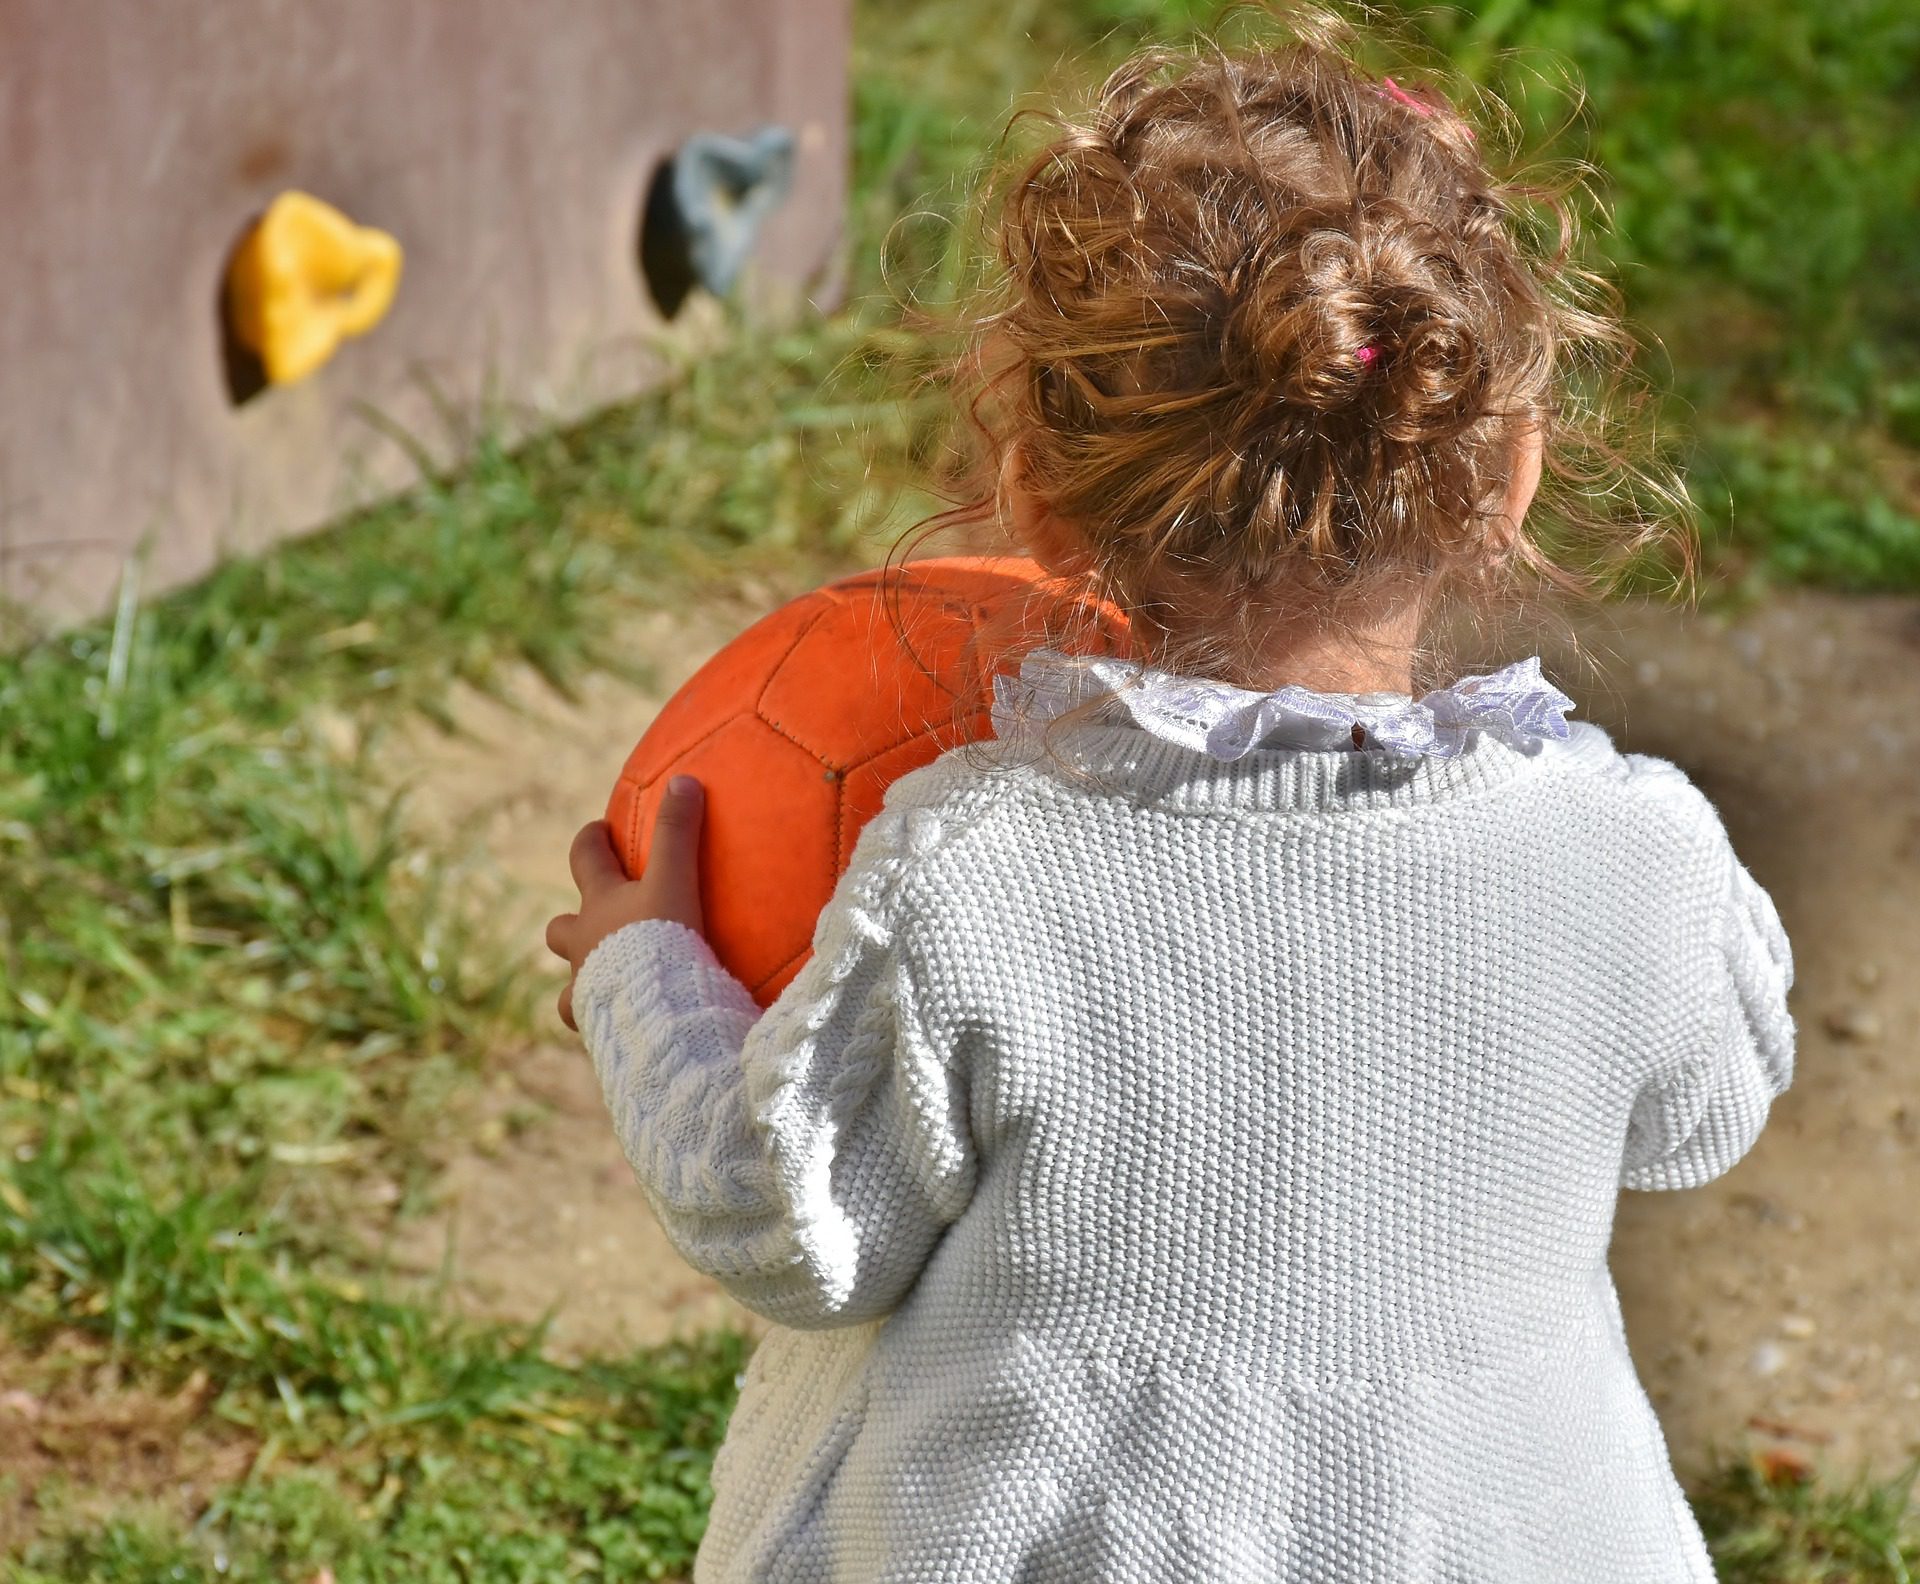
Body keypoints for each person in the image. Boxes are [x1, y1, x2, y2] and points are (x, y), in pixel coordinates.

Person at [545, 12, 1795, 1580]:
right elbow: (1708, 1106)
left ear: (1036, 494)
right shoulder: (1639, 859)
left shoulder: (980, 881)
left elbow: (785, 1223)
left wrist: (640, 972)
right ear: (1511, 473)